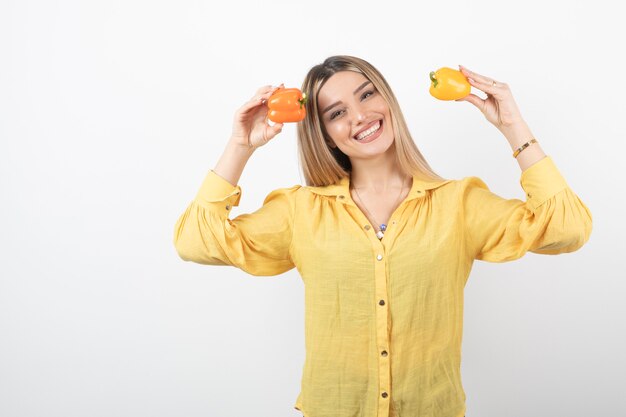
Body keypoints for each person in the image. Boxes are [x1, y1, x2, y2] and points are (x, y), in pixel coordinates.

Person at [173, 55, 592, 417]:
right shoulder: (301, 210)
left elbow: (567, 228)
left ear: (387, 100)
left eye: (367, 94)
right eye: (336, 113)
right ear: (323, 133)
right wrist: (240, 144)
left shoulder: (458, 203)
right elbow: (195, 240)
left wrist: (513, 127)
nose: (359, 116)